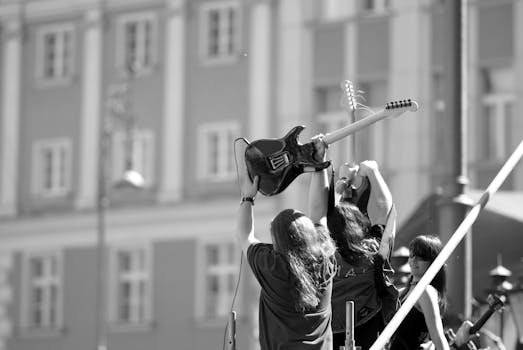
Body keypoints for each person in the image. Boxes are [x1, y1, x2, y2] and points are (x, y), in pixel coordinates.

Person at [235, 138, 338, 350]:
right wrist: (319, 166)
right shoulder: (324, 258)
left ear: (277, 240)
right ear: (309, 234)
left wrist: (248, 197)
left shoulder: (273, 267)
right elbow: (320, 211)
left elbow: (244, 235)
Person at [308, 136, 399, 350]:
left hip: (330, 330)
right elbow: (386, 210)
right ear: (360, 224)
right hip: (369, 328)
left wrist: (340, 184)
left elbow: (319, 212)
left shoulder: (323, 251)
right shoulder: (372, 251)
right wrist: (373, 172)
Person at [389, 235, 449, 350]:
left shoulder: (425, 291)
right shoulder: (403, 292)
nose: (414, 260)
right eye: (412, 255)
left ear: (433, 261)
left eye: (421, 257)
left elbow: (437, 337)